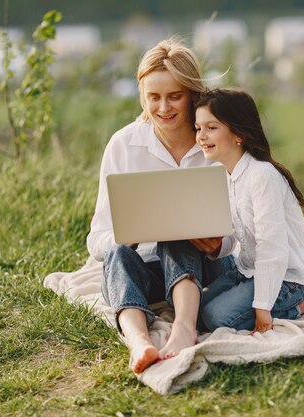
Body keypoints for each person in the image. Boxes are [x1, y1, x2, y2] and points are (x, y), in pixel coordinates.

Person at [87, 38, 233, 374]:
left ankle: (184, 328)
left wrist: (218, 243)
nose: (163, 107)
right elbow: (97, 238)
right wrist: (127, 236)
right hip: (146, 272)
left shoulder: (215, 140)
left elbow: (242, 231)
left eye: (174, 96)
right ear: (143, 97)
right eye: (154, 97)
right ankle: (139, 341)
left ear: (192, 94)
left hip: (206, 269)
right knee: (117, 256)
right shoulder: (123, 145)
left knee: (176, 234)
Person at [193, 88, 304, 333]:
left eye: (211, 127)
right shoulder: (225, 174)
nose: (201, 136)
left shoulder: (262, 176)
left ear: (238, 133)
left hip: (287, 278)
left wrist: (263, 311)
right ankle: (261, 302)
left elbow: (272, 248)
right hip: (248, 270)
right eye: (198, 128)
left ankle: (294, 308)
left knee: (215, 318)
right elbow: (235, 232)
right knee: (193, 310)